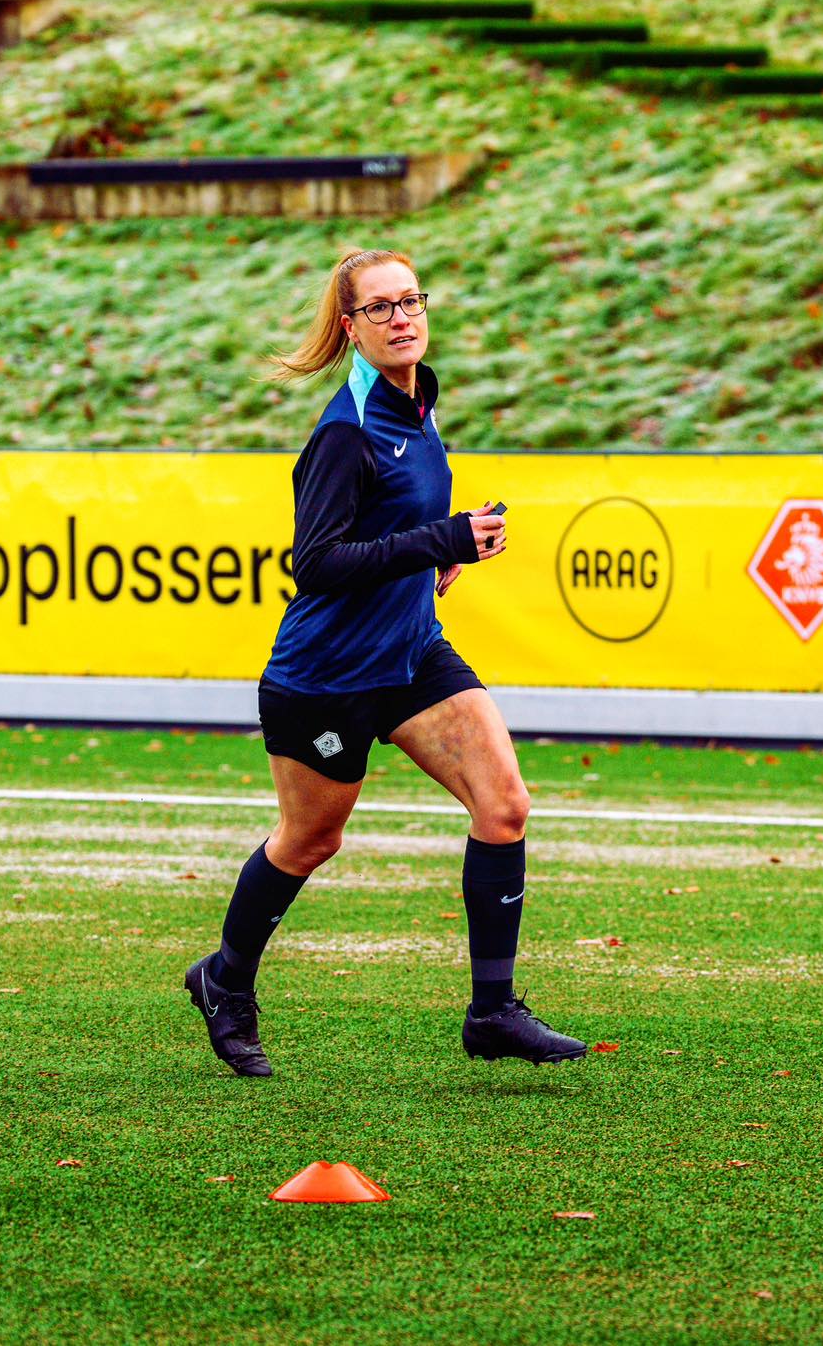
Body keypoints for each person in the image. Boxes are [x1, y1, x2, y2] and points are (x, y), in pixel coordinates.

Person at [182, 247, 585, 1077]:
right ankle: (225, 981)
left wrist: (445, 555)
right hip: (326, 677)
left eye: (412, 301)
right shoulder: (343, 431)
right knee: (309, 841)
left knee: (504, 803)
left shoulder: (421, 400)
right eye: (381, 308)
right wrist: (439, 539)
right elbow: (318, 564)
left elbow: (397, 522)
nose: (403, 317)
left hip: (410, 655)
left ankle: (493, 1011)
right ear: (350, 327)